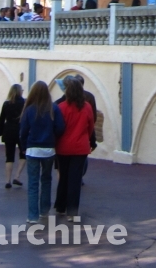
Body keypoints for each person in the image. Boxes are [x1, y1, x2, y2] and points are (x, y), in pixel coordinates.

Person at [20, 81, 66, 224]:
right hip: (48, 149)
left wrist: (23, 146)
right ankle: (44, 210)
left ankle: (32, 215)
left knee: (33, 183)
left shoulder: (29, 109)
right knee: (46, 180)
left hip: (32, 149)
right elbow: (60, 127)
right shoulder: (53, 108)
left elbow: (23, 131)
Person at [54, 77, 94, 218]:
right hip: (80, 147)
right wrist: (85, 139)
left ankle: (60, 205)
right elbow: (90, 127)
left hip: (63, 147)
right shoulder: (87, 107)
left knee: (63, 176)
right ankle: (72, 211)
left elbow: (58, 128)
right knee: (75, 179)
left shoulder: (61, 107)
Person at [0, 84, 26, 189]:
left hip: (8, 130)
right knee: (23, 154)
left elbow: (1, 119)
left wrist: (0, 132)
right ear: (20, 91)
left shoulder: (6, 104)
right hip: (20, 130)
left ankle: (7, 180)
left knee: (9, 156)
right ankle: (17, 176)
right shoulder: (24, 103)